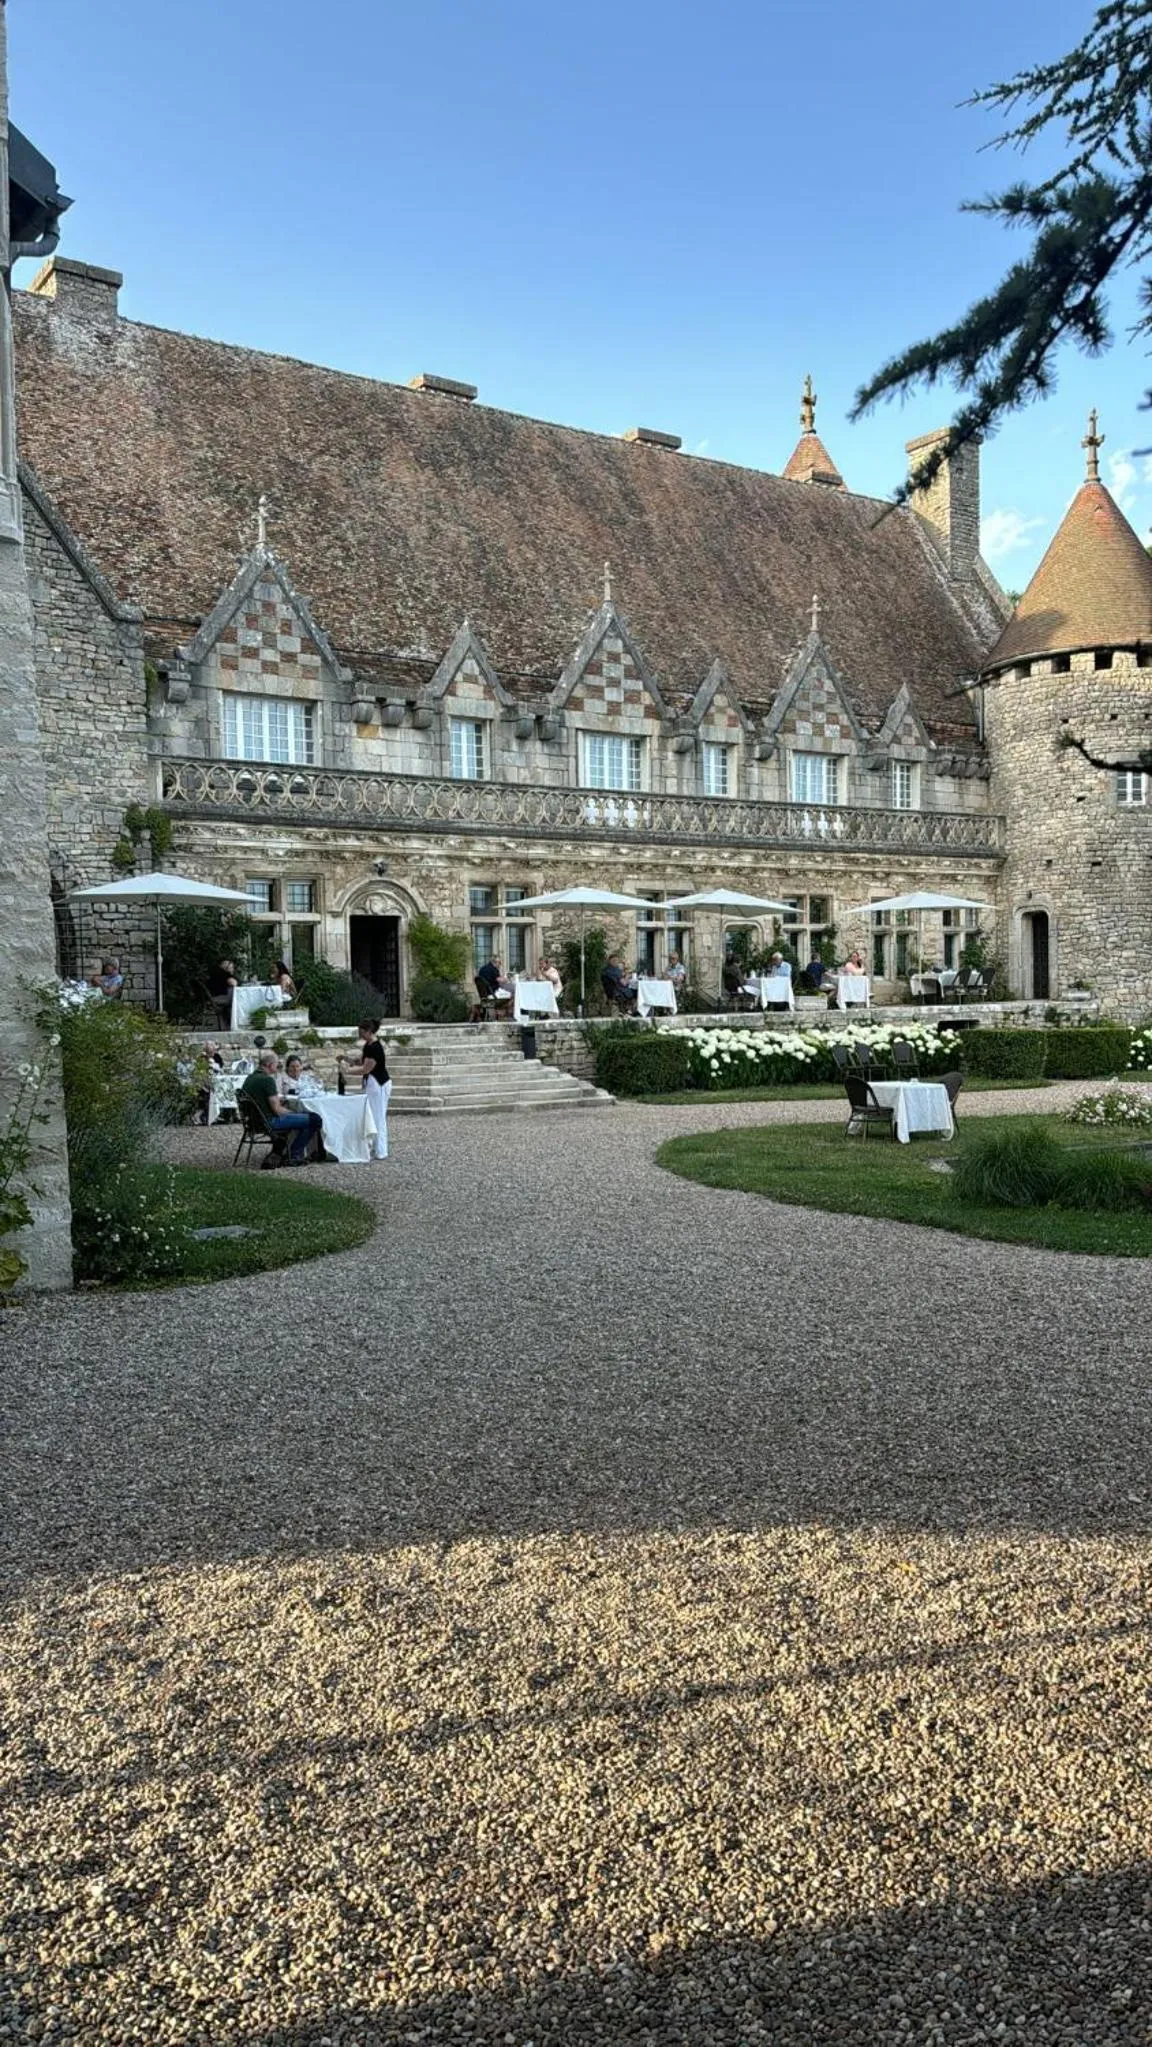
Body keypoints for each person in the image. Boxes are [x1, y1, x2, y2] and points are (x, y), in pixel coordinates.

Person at [240, 1051, 322, 1166]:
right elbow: (277, 1110)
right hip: (269, 1122)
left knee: (305, 1118)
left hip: (254, 1121)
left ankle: (289, 1152)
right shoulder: (267, 1080)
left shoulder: (250, 1078)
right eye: (277, 1064)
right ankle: (295, 1154)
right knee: (315, 1119)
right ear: (270, 1065)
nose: (278, 1067)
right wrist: (294, 1113)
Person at [356, 1018, 392, 1160]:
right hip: (371, 1083)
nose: (361, 1035)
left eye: (362, 1032)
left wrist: (348, 1070)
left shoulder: (376, 1047)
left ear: (369, 1032)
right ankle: (372, 1146)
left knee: (378, 1116)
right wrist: (349, 1060)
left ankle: (381, 1150)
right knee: (371, 1115)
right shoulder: (367, 1046)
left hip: (379, 1083)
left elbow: (366, 1068)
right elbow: (362, 1062)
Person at [197, 1040, 225, 1124]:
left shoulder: (217, 1056)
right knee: (206, 1092)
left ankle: (219, 1114)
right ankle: (205, 1116)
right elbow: (199, 1071)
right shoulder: (201, 1058)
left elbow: (221, 1068)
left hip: (216, 1079)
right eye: (210, 1051)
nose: (213, 1053)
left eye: (213, 1051)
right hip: (204, 1082)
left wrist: (215, 1066)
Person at [208, 958, 238, 1028]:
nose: (232, 969)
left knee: (233, 998)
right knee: (236, 999)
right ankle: (232, 1024)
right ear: (226, 967)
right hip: (217, 997)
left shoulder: (216, 972)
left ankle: (226, 1025)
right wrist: (231, 975)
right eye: (231, 967)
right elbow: (234, 983)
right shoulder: (223, 973)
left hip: (213, 996)